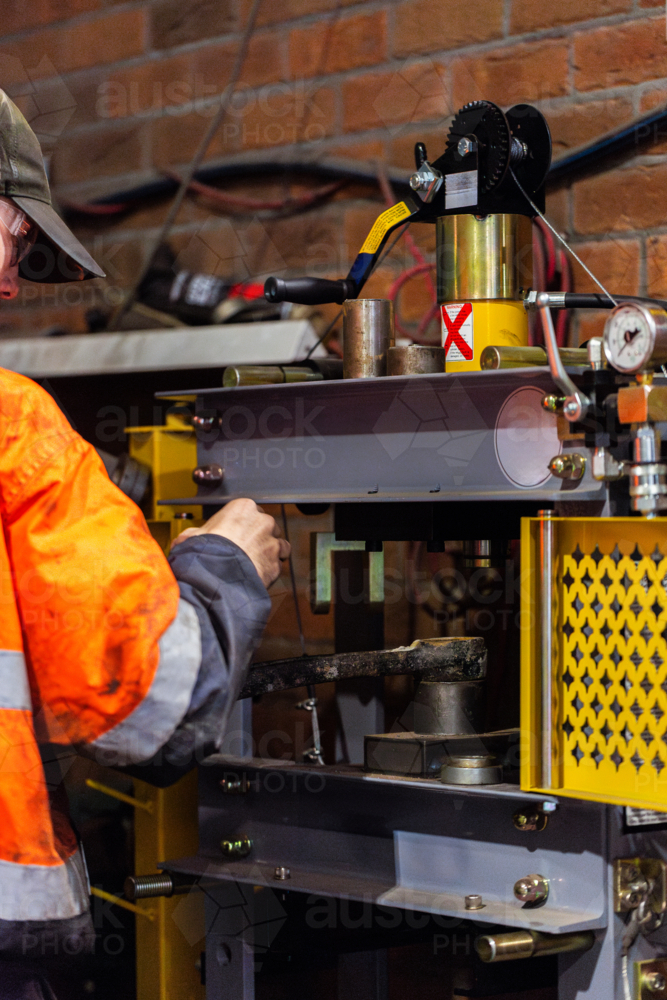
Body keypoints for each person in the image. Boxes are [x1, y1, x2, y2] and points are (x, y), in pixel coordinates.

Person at [0, 89, 289, 994]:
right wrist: (224, 564)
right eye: (11, 241)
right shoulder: (14, 429)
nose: (9, 282)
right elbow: (154, 709)